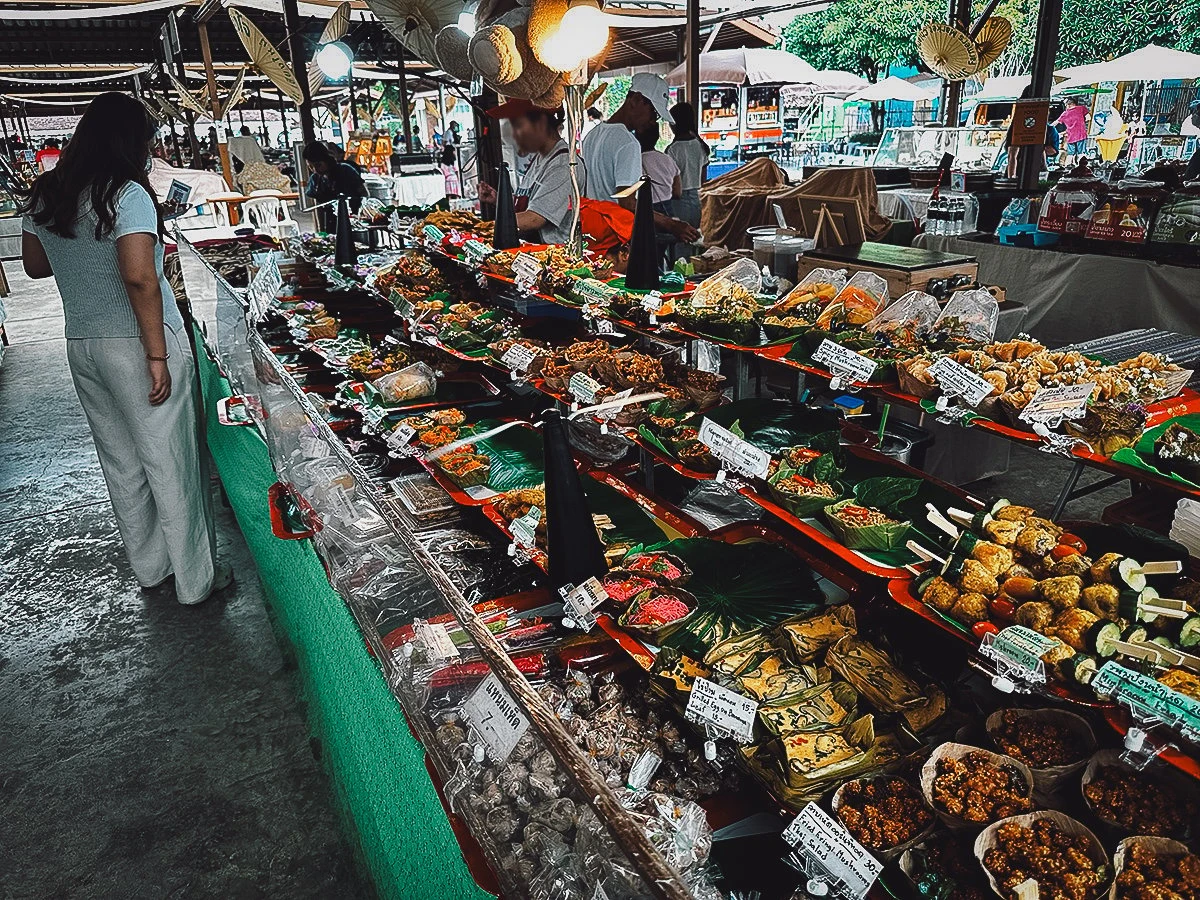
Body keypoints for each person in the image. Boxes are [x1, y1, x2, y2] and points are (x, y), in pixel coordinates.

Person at [18, 92, 228, 606]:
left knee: (122, 460)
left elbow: (35, 267)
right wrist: (156, 355)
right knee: (170, 459)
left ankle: (152, 567)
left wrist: (78, 254)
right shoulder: (126, 194)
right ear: (132, 142)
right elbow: (139, 279)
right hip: (137, 342)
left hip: (82, 344)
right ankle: (196, 581)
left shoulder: (47, 193)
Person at [582, 72, 698, 243]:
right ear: (636, 100)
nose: (653, 121)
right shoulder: (628, 143)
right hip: (615, 236)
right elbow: (627, 202)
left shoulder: (591, 135)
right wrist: (671, 225)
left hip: (592, 232)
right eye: (653, 113)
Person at [478, 99, 586, 245]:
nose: (514, 135)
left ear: (540, 124)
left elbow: (534, 218)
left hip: (554, 258)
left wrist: (484, 228)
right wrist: (500, 200)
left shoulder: (563, 166)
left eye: (518, 126)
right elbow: (533, 201)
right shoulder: (540, 159)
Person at [665, 102, 709, 232]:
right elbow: (703, 179)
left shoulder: (672, 150)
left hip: (678, 201)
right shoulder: (700, 145)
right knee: (693, 238)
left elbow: (671, 184)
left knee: (679, 242)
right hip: (697, 200)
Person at [303, 140, 366, 211]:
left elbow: (364, 193)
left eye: (318, 165)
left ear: (326, 160)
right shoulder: (314, 179)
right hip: (330, 218)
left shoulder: (346, 170)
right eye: (311, 167)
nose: (315, 170)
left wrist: (361, 212)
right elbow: (317, 206)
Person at [636, 125, 680, 215]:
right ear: (657, 137)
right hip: (667, 208)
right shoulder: (668, 159)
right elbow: (677, 192)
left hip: (645, 209)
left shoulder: (636, 161)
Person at [1053, 97, 1090, 163]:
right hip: (1081, 135)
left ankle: (1068, 166)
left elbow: (1055, 123)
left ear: (1069, 104)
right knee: (1081, 153)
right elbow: (1088, 118)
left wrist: (1047, 128)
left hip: (1071, 137)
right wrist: (1082, 122)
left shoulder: (1065, 113)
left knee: (1070, 154)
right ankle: (1082, 167)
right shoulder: (1081, 108)